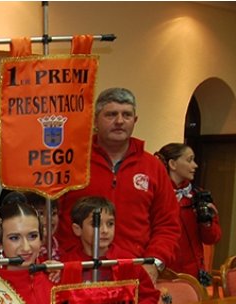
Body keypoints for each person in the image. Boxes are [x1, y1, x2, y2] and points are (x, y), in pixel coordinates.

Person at [54, 87, 180, 283]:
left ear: (135, 121)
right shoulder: (70, 162)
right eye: (111, 114)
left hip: (134, 273)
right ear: (95, 120)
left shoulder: (153, 167)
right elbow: (51, 218)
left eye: (127, 115)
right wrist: (62, 259)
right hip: (76, 273)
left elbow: (168, 224)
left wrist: (154, 262)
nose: (120, 121)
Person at [155, 143, 222, 282]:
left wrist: (207, 222)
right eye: (189, 160)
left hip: (193, 275)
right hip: (163, 273)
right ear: (173, 164)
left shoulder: (199, 195)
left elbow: (212, 238)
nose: (195, 165)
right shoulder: (155, 195)